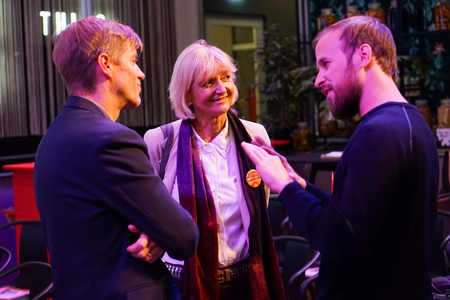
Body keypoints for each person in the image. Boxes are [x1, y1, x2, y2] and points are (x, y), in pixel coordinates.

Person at [241, 16, 439, 300]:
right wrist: (299, 184)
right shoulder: (412, 122)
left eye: (326, 64)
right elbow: (358, 218)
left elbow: (340, 241)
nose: (319, 79)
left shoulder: (377, 134)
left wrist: (283, 186)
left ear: (363, 55)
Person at [34, 16, 199, 300]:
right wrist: (161, 233)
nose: (141, 73)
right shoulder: (112, 141)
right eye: (133, 61)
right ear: (106, 65)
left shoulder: (52, 138)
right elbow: (184, 236)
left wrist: (155, 233)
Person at [129, 40, 285, 300]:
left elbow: (261, 206)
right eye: (208, 83)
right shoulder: (160, 141)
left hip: (245, 280)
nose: (221, 89)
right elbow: (148, 214)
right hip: (182, 282)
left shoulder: (254, 135)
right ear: (187, 94)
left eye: (226, 78)